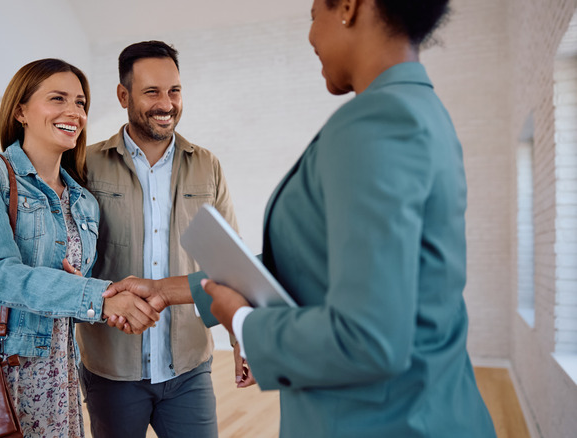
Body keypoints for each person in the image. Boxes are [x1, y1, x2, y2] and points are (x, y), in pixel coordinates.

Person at [104, 1, 499, 436]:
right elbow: (311, 266)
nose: (311, 36)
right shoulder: (417, 109)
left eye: (314, 15)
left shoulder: (378, 123)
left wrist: (245, 324)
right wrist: (164, 289)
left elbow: (368, 339)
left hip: (384, 420)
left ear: (348, 7)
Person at [0, 42, 251, 438]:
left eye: (174, 90)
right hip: (101, 366)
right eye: (152, 91)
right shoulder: (85, 165)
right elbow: (8, 260)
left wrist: (239, 331)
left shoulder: (201, 167)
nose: (166, 103)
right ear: (123, 96)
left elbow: (231, 262)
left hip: (184, 361)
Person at [0, 58, 160, 438]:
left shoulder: (84, 201)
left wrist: (113, 305)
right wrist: (101, 298)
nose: (73, 111)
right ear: (20, 110)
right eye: (58, 99)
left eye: (81, 103)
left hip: (57, 371)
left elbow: (72, 295)